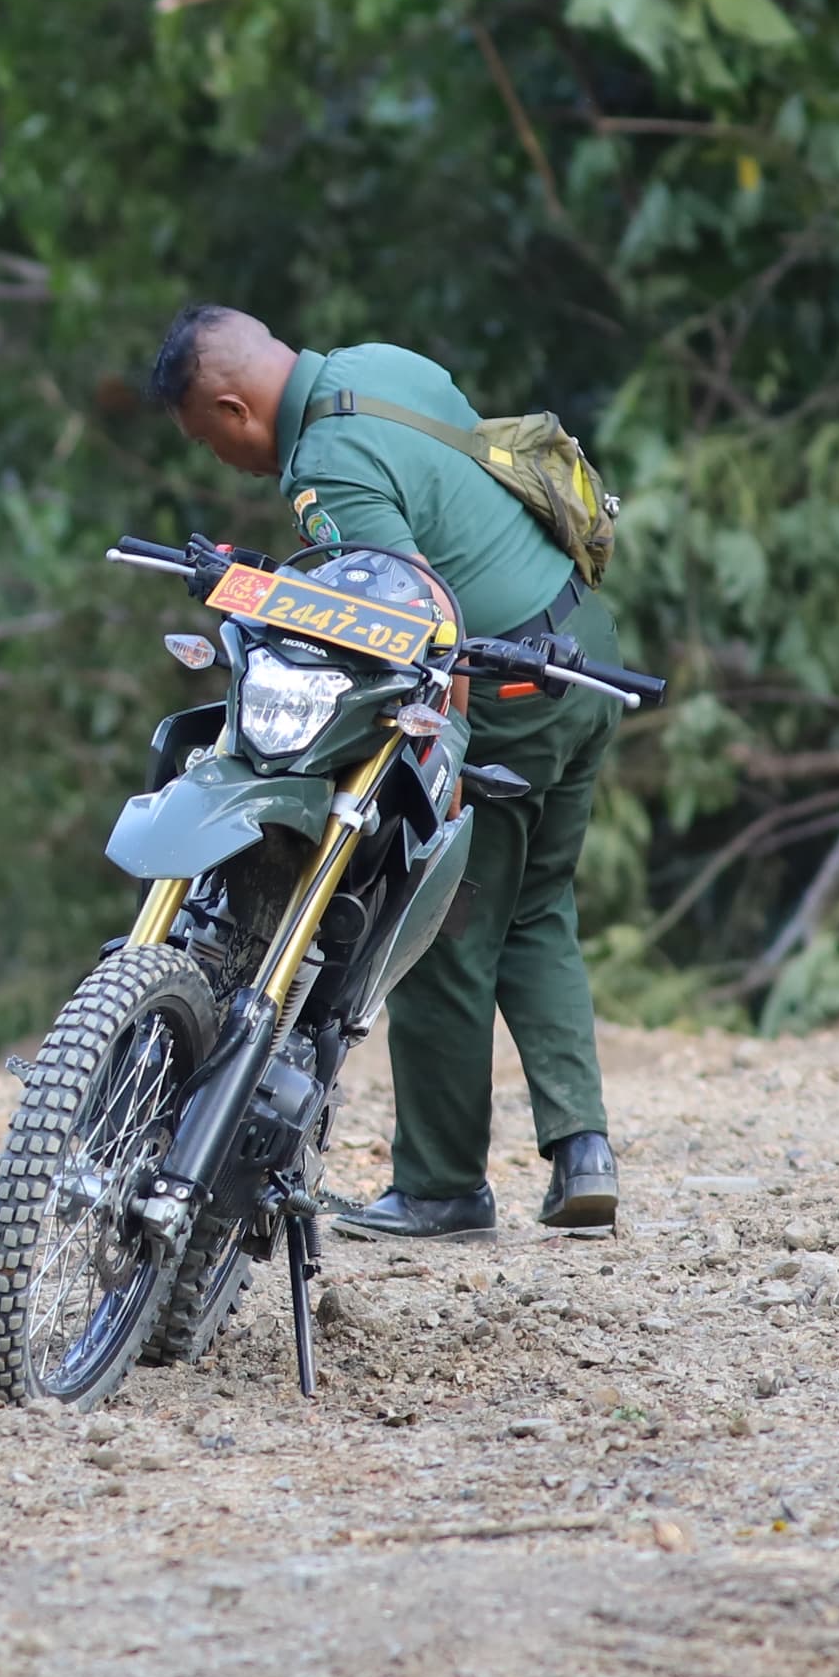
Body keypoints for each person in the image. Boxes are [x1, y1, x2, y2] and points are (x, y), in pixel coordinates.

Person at [148, 303, 622, 1238]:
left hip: (509, 694)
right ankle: (583, 1152)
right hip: (586, 653)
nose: (224, 460)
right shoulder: (379, 362)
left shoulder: (322, 467)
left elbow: (408, 619)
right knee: (538, 907)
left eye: (211, 441)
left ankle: (444, 1187)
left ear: (237, 407)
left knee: (442, 915)